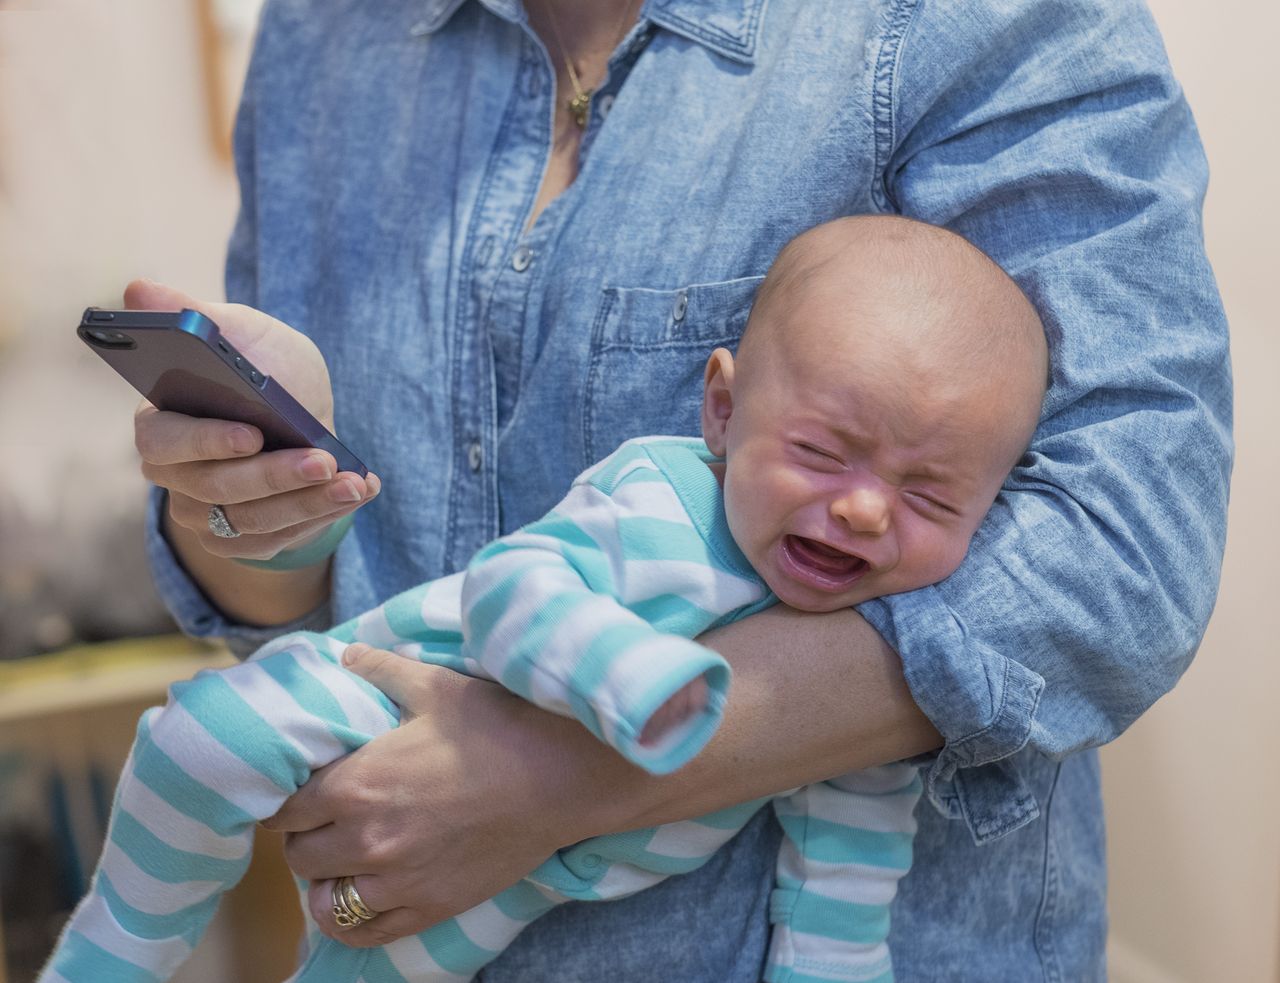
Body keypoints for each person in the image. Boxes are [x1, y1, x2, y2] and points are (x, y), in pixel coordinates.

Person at [127, 1, 1232, 979]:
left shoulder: (973, 21)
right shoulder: (325, 35)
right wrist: (246, 513)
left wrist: (570, 773)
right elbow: (306, 598)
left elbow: (1123, 555)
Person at [42, 216, 1048, 983]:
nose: (865, 510)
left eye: (929, 496)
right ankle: (115, 949)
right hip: (389, 686)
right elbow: (510, 589)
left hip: (513, 886)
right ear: (723, 409)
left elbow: (843, 885)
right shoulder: (664, 494)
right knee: (203, 737)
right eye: (822, 452)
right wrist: (631, 683)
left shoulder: (879, 659)